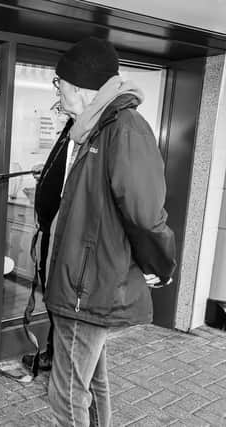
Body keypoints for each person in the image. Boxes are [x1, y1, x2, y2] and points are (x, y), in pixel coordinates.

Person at [44, 37, 176, 426]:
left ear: (82, 88)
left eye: (59, 83)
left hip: (90, 284)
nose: (58, 91)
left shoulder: (124, 129)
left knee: (66, 395)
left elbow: (145, 212)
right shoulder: (92, 129)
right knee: (91, 383)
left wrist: (160, 264)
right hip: (83, 280)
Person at [21, 117, 74, 373]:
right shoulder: (70, 130)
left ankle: (58, 359)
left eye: (61, 86)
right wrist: (47, 172)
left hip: (63, 235)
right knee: (51, 294)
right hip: (50, 230)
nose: (58, 94)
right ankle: (53, 353)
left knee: (58, 298)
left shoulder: (87, 132)